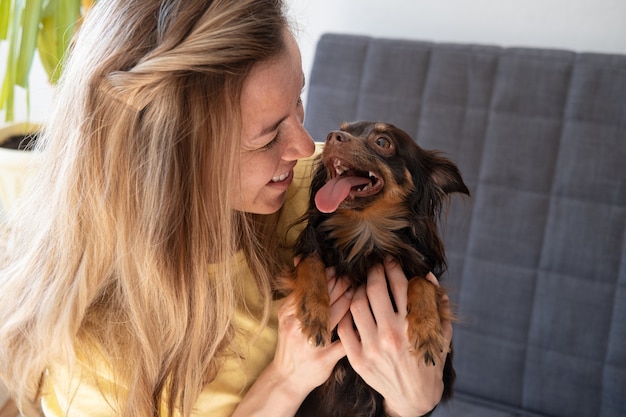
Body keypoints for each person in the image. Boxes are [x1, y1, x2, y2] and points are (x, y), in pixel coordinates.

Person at [0, 0, 452, 416]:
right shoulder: (95, 359)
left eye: (299, 99)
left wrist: (411, 401)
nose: (305, 146)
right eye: (268, 136)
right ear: (177, 165)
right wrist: (284, 381)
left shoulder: (316, 193)